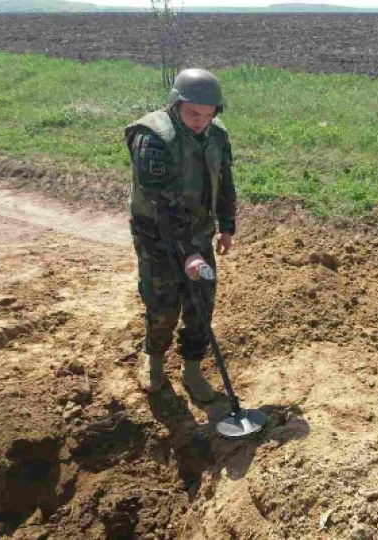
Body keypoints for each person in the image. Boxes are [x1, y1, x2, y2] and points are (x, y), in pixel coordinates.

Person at [125, 68, 236, 400]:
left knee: (202, 300)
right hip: (157, 238)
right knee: (163, 302)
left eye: (208, 113)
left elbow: (224, 181)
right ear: (176, 103)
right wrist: (188, 253)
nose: (201, 120)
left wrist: (227, 225)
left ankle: (192, 368)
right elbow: (162, 202)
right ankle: (154, 357)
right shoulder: (152, 137)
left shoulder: (216, 134)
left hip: (198, 236)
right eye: (193, 113)